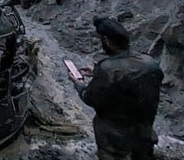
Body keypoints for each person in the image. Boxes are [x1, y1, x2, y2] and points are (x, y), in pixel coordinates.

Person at [69, 16, 163, 160]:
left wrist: (79, 83)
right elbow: (129, 77)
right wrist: (97, 72)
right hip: (144, 132)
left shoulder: (107, 69)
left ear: (106, 40)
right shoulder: (150, 63)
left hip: (115, 137)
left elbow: (90, 98)